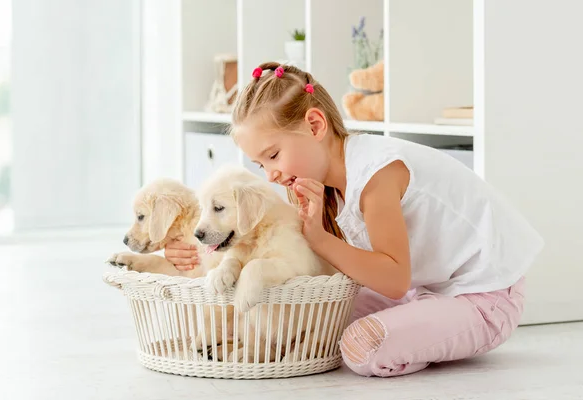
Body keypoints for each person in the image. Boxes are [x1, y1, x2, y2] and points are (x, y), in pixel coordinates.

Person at [166, 62, 544, 377]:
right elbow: (293, 255)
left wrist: (320, 238)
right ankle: (419, 325)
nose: (271, 175)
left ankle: (422, 337)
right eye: (260, 164)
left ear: (315, 126)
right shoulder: (323, 183)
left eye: (274, 155)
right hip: (423, 289)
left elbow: (393, 281)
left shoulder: (376, 175)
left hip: (484, 296)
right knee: (313, 318)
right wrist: (200, 255)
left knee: (359, 348)